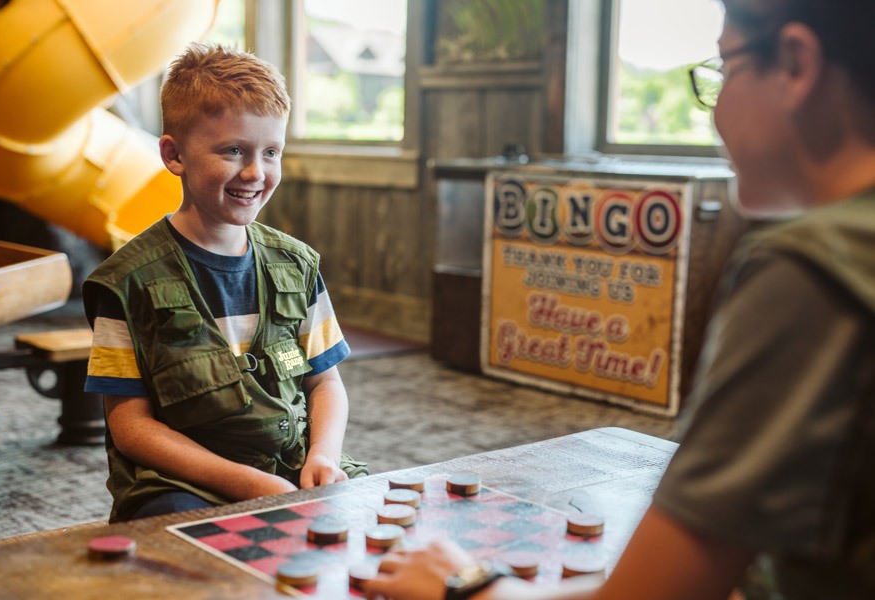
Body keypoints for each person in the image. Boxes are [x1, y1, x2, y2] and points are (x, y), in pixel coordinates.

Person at [366, 0, 875, 598]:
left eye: (723, 69)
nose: (714, 110)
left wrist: (466, 585)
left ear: (795, 63)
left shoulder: (811, 269)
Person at [82, 43, 366, 523]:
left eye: (271, 152)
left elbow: (325, 382)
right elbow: (130, 427)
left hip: (288, 466)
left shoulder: (297, 266)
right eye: (233, 151)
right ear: (174, 155)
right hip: (181, 483)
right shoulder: (125, 283)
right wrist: (247, 485)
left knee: (366, 527)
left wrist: (323, 456)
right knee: (190, 549)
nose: (255, 173)